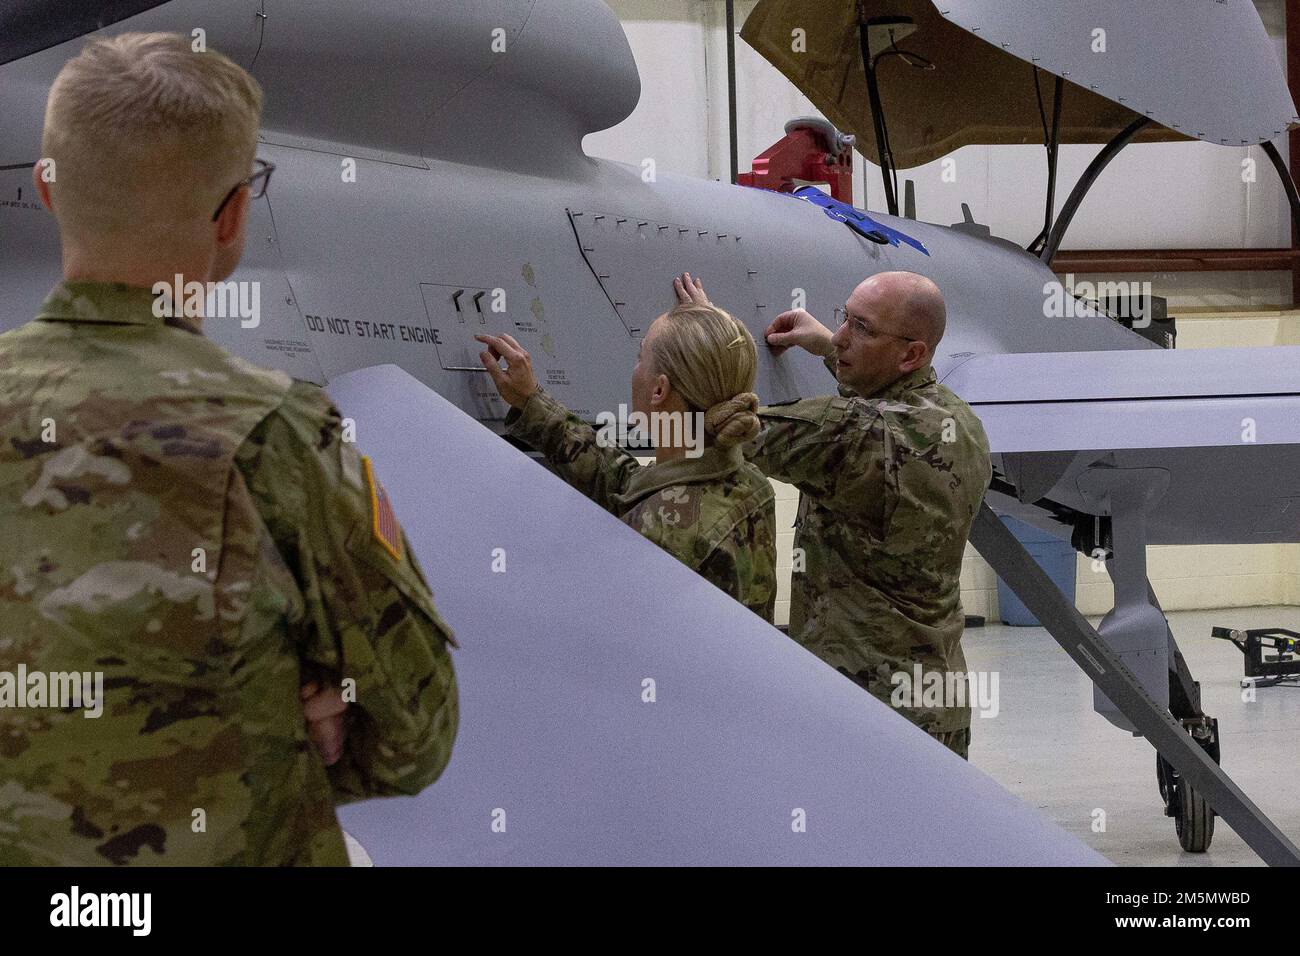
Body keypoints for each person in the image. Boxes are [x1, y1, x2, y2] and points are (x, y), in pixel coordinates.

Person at [0, 33, 457, 865]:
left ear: (47, 191)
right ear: (236, 215)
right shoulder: (277, 434)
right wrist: (289, 720)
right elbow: (415, 735)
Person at [677, 271, 990, 758]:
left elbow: (727, 425)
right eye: (845, 318)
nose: (841, 334)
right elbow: (880, 408)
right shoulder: (960, 424)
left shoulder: (855, 436)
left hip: (863, 714)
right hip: (937, 707)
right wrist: (831, 346)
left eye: (862, 329)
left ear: (911, 354)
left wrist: (705, 337)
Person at [476, 292, 777, 618]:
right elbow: (628, 485)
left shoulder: (654, 536)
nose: (635, 369)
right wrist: (532, 402)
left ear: (659, 390)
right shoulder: (750, 484)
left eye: (640, 357)